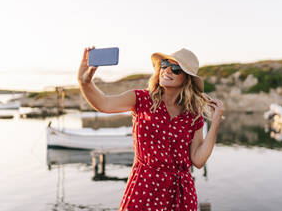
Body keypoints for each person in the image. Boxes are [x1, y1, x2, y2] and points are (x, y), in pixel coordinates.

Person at [78, 46, 224, 211]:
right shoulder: (141, 99)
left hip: (180, 194)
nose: (167, 70)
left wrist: (216, 121)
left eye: (175, 69)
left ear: (187, 79)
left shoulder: (192, 114)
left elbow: (198, 160)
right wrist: (84, 82)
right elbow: (104, 103)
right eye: (164, 65)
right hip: (144, 186)